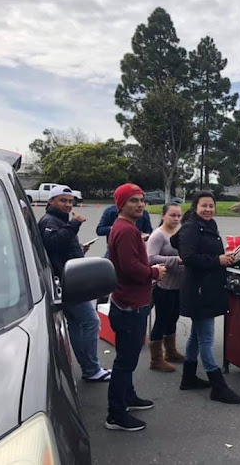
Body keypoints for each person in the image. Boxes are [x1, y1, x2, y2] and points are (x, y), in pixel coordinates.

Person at [171, 191, 240, 404]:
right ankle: (218, 386)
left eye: (211, 205)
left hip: (208, 287)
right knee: (207, 339)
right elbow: (188, 257)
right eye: (204, 206)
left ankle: (189, 377)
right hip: (199, 291)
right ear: (195, 207)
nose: (209, 209)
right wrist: (216, 260)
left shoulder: (207, 225)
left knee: (196, 334)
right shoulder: (191, 228)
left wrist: (226, 257)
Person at [105, 183, 167, 432]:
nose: (140, 204)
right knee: (125, 362)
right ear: (121, 205)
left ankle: (128, 397)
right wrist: (155, 271)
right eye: (133, 200)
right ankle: (116, 414)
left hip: (126, 302)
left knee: (125, 358)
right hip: (131, 305)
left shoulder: (123, 228)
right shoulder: (127, 230)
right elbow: (131, 269)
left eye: (142, 200)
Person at [38, 184, 110, 382]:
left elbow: (58, 248)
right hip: (67, 283)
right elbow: (52, 242)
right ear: (51, 201)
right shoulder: (49, 220)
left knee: (78, 325)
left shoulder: (59, 220)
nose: (68, 205)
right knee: (90, 322)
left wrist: (79, 250)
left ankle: (89, 368)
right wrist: (74, 224)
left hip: (69, 281)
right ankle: (91, 368)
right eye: (63, 200)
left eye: (70, 201)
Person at [146, 203, 185, 372]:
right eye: (172, 215)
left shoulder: (180, 232)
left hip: (179, 283)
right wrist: (175, 260)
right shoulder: (158, 235)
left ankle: (171, 351)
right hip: (163, 284)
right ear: (163, 216)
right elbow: (150, 258)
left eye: (178, 216)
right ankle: (156, 359)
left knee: (173, 317)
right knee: (162, 319)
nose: (176, 219)